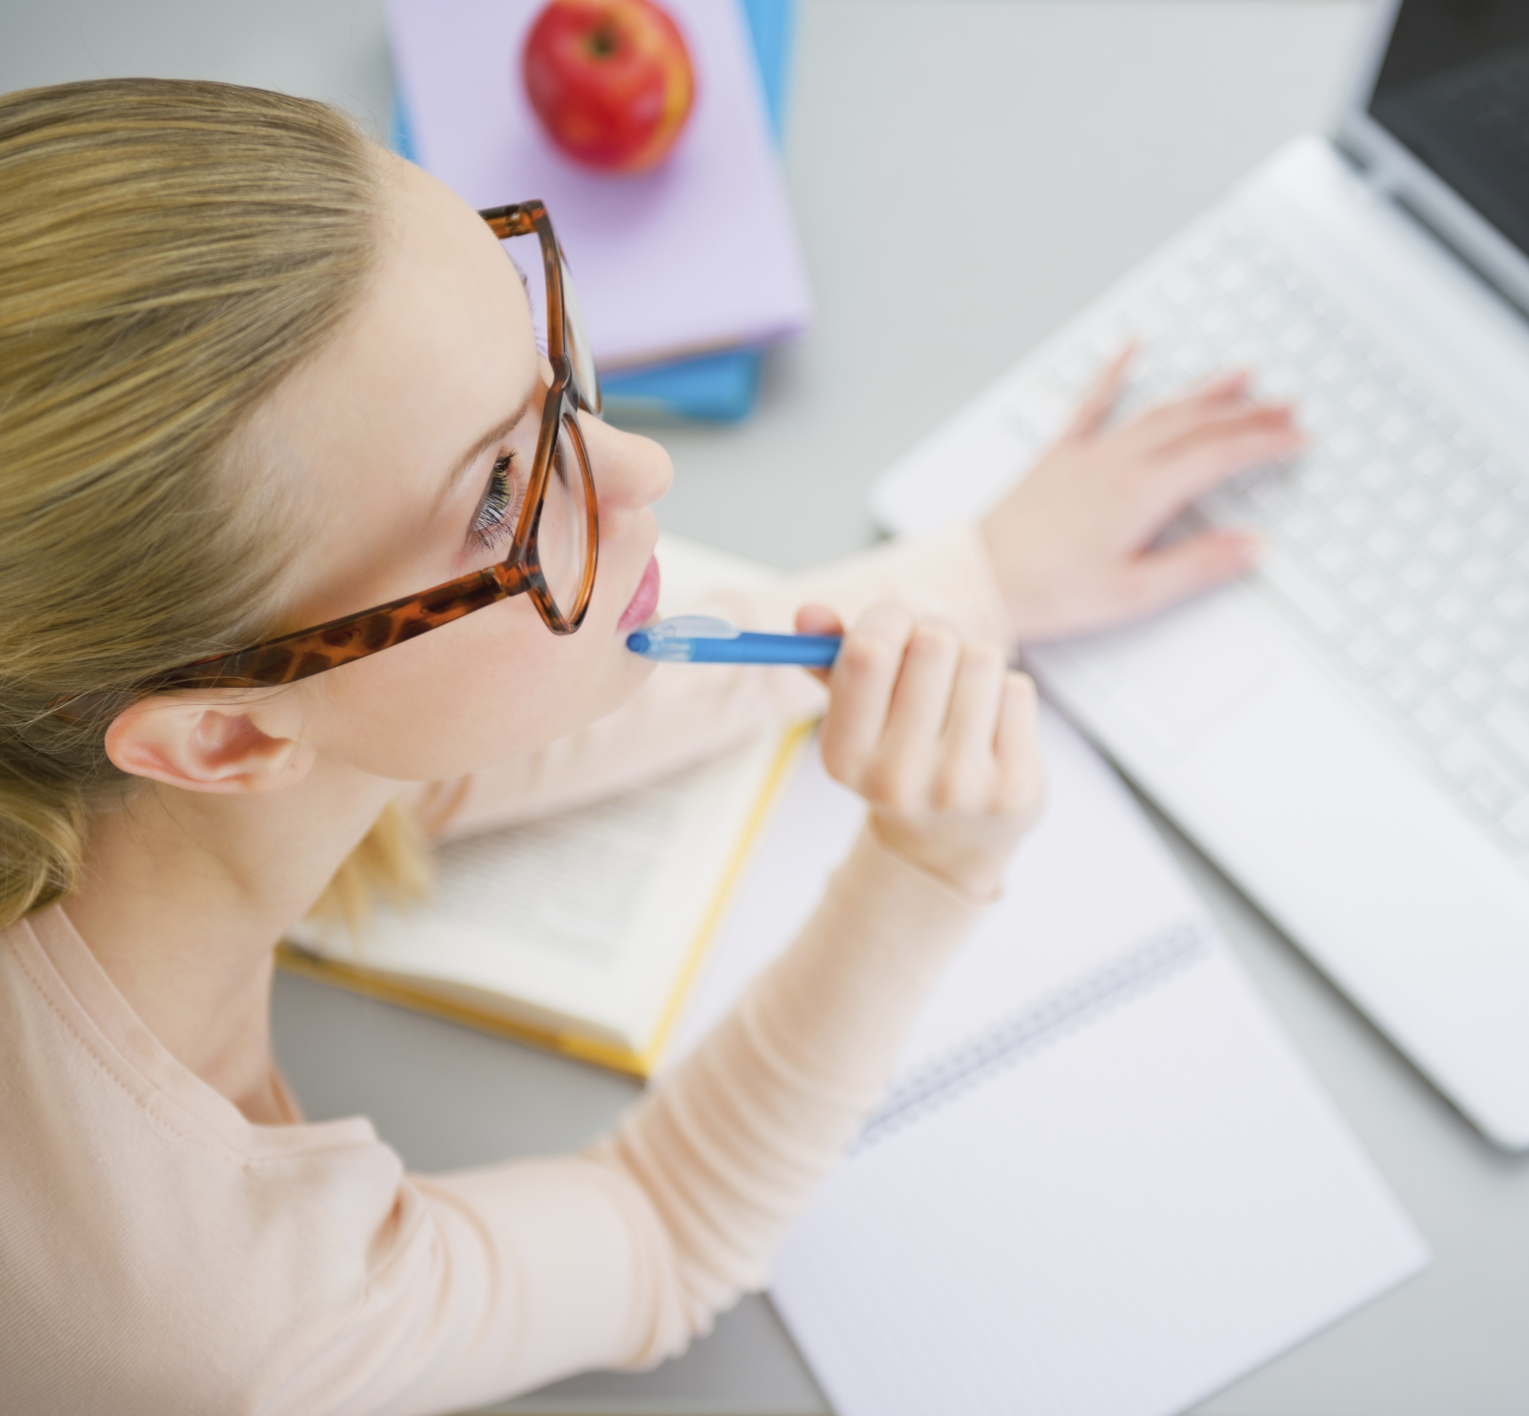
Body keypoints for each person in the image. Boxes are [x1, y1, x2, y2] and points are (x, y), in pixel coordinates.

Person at [0, 78, 1300, 1412]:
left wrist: (975, 574)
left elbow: (434, 745)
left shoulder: (135, 748)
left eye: (541, 359)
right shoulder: (218, 1324)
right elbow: (665, 1235)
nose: (638, 473)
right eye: (502, 495)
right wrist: (921, 872)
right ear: (218, 737)